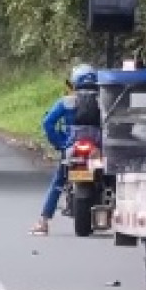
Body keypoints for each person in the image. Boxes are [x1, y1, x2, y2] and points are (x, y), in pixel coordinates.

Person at [29, 63, 102, 235]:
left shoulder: (67, 101)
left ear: (74, 83)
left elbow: (48, 123)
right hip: (97, 151)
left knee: (58, 182)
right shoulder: (103, 100)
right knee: (111, 180)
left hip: (72, 149)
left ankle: (43, 222)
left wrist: (60, 143)